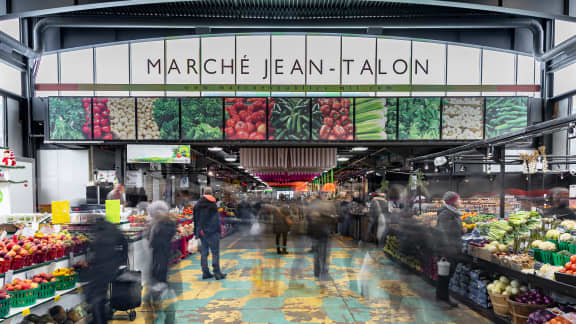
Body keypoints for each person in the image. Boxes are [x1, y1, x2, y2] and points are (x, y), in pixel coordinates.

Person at [85, 216, 128, 324]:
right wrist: (121, 261)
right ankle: (103, 316)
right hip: (112, 267)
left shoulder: (100, 234)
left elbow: (97, 251)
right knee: (100, 294)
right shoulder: (114, 229)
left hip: (102, 268)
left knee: (97, 296)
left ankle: (99, 320)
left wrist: (91, 261)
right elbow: (124, 244)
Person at [146, 201, 177, 324]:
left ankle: (168, 317)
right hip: (161, 259)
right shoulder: (165, 224)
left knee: (161, 287)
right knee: (162, 287)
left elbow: (155, 243)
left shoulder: (160, 227)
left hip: (159, 260)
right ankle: (164, 312)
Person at [435, 191, 464, 307]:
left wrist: (462, 230)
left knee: (445, 274)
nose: (460, 201)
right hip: (448, 249)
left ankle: (441, 296)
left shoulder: (453, 213)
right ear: (453, 202)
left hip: (452, 247)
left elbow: (453, 229)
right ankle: (444, 298)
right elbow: (443, 233)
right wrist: (446, 252)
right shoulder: (445, 214)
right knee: (445, 275)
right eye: (459, 199)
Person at [193, 187, 226, 280]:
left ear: (203, 193)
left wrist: (196, 232)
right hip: (212, 232)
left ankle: (205, 272)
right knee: (215, 252)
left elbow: (195, 219)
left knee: (204, 253)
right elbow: (216, 219)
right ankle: (217, 273)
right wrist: (219, 230)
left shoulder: (197, 204)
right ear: (211, 194)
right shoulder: (213, 204)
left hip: (202, 232)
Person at [306, 192, 338, 281]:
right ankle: (324, 273)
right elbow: (334, 219)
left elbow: (307, 217)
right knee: (324, 254)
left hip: (315, 232)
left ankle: (317, 272)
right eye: (326, 194)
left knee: (316, 253)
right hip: (324, 232)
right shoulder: (329, 205)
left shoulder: (312, 204)